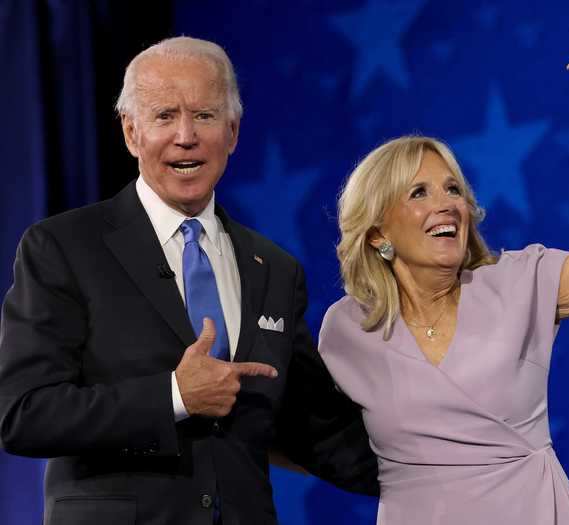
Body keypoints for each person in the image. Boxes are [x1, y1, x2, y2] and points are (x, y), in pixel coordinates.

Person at [318, 19, 569, 525]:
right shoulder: (346, 330)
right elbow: (293, 435)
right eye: (419, 193)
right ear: (378, 234)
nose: (446, 205)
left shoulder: (521, 284)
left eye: (453, 190)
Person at [0, 37, 377, 524]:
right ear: (131, 132)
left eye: (204, 115)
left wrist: (456, 464)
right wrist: (174, 396)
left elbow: (316, 431)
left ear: (233, 132)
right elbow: (24, 414)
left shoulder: (275, 270)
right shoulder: (64, 247)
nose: (186, 136)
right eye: (164, 116)